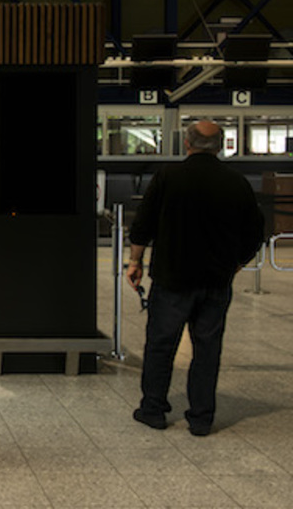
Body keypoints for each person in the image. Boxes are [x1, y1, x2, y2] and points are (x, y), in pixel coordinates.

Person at [127, 120, 263, 437]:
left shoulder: (168, 177)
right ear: (220, 146)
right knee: (207, 349)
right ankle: (201, 418)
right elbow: (255, 234)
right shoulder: (236, 182)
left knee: (161, 345)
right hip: (216, 281)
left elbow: (143, 225)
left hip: (172, 278)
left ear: (187, 144)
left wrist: (135, 261)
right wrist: (234, 265)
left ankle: (153, 410)